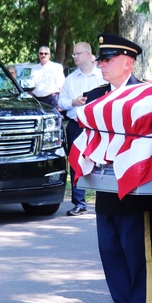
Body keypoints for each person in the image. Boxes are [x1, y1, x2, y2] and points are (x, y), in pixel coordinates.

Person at [89, 34, 152, 303]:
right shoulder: (96, 96)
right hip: (106, 185)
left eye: (108, 59)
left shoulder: (146, 94)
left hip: (137, 188)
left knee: (136, 251)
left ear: (128, 62)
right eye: (100, 59)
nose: (101, 64)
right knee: (110, 249)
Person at [58, 41, 103, 217]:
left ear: (87, 55)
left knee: (100, 161)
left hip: (97, 126)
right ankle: (79, 203)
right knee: (76, 162)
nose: (74, 57)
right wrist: (73, 102)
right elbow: (61, 102)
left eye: (77, 54)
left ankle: (103, 200)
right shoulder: (70, 79)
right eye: (74, 54)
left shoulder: (101, 77)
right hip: (76, 125)